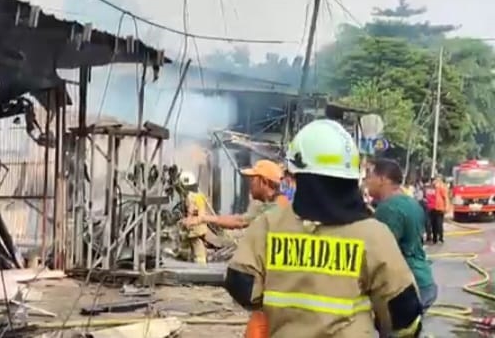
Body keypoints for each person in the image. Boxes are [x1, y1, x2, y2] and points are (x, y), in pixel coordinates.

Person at [225, 119, 423, 337]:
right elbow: (404, 314)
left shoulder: (270, 225)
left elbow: (240, 283)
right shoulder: (373, 235)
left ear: (299, 174)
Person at [366, 158, 438, 311]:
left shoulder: (389, 208)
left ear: (382, 179)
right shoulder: (411, 202)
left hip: (406, 287)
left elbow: (380, 254)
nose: (367, 181)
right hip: (423, 279)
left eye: (369, 176)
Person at [182, 160, 287, 230]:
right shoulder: (267, 205)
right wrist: (203, 218)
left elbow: (241, 222)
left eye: (253, 179)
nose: (249, 184)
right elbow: (240, 220)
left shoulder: (279, 207)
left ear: (264, 182)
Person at [179, 171, 209, 265]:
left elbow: (190, 210)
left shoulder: (190, 196)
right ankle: (199, 262)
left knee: (196, 245)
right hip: (201, 224)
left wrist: (187, 221)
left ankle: (200, 265)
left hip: (195, 226)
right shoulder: (200, 195)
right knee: (198, 244)